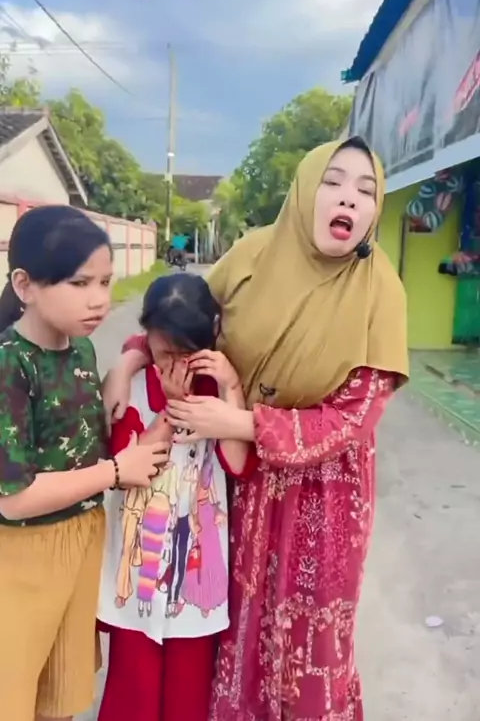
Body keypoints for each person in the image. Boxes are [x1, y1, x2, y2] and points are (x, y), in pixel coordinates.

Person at [103, 137, 409, 720]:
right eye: (333, 182)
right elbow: (182, 320)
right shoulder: (252, 255)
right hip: (238, 485)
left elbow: (354, 418)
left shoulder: (381, 293)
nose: (348, 198)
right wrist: (129, 360)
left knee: (309, 639)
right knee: (234, 624)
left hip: (324, 496)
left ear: (376, 209)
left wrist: (241, 420)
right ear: (305, 191)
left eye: (366, 191)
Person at [0, 205, 169, 721]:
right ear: (25, 285)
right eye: (79, 283)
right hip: (22, 559)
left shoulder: (81, 351)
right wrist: (116, 472)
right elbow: (14, 498)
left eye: (105, 282)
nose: (99, 299)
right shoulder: (10, 363)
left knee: (61, 695)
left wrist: (123, 368)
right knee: (13, 691)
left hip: (82, 544)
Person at [97, 273, 255, 721]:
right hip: (139, 565)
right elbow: (128, 470)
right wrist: (169, 407)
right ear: (146, 335)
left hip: (197, 572)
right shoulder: (132, 386)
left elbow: (237, 463)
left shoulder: (218, 387)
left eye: (189, 353)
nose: (178, 365)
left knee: (189, 690)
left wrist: (231, 389)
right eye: (166, 353)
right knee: (135, 687)